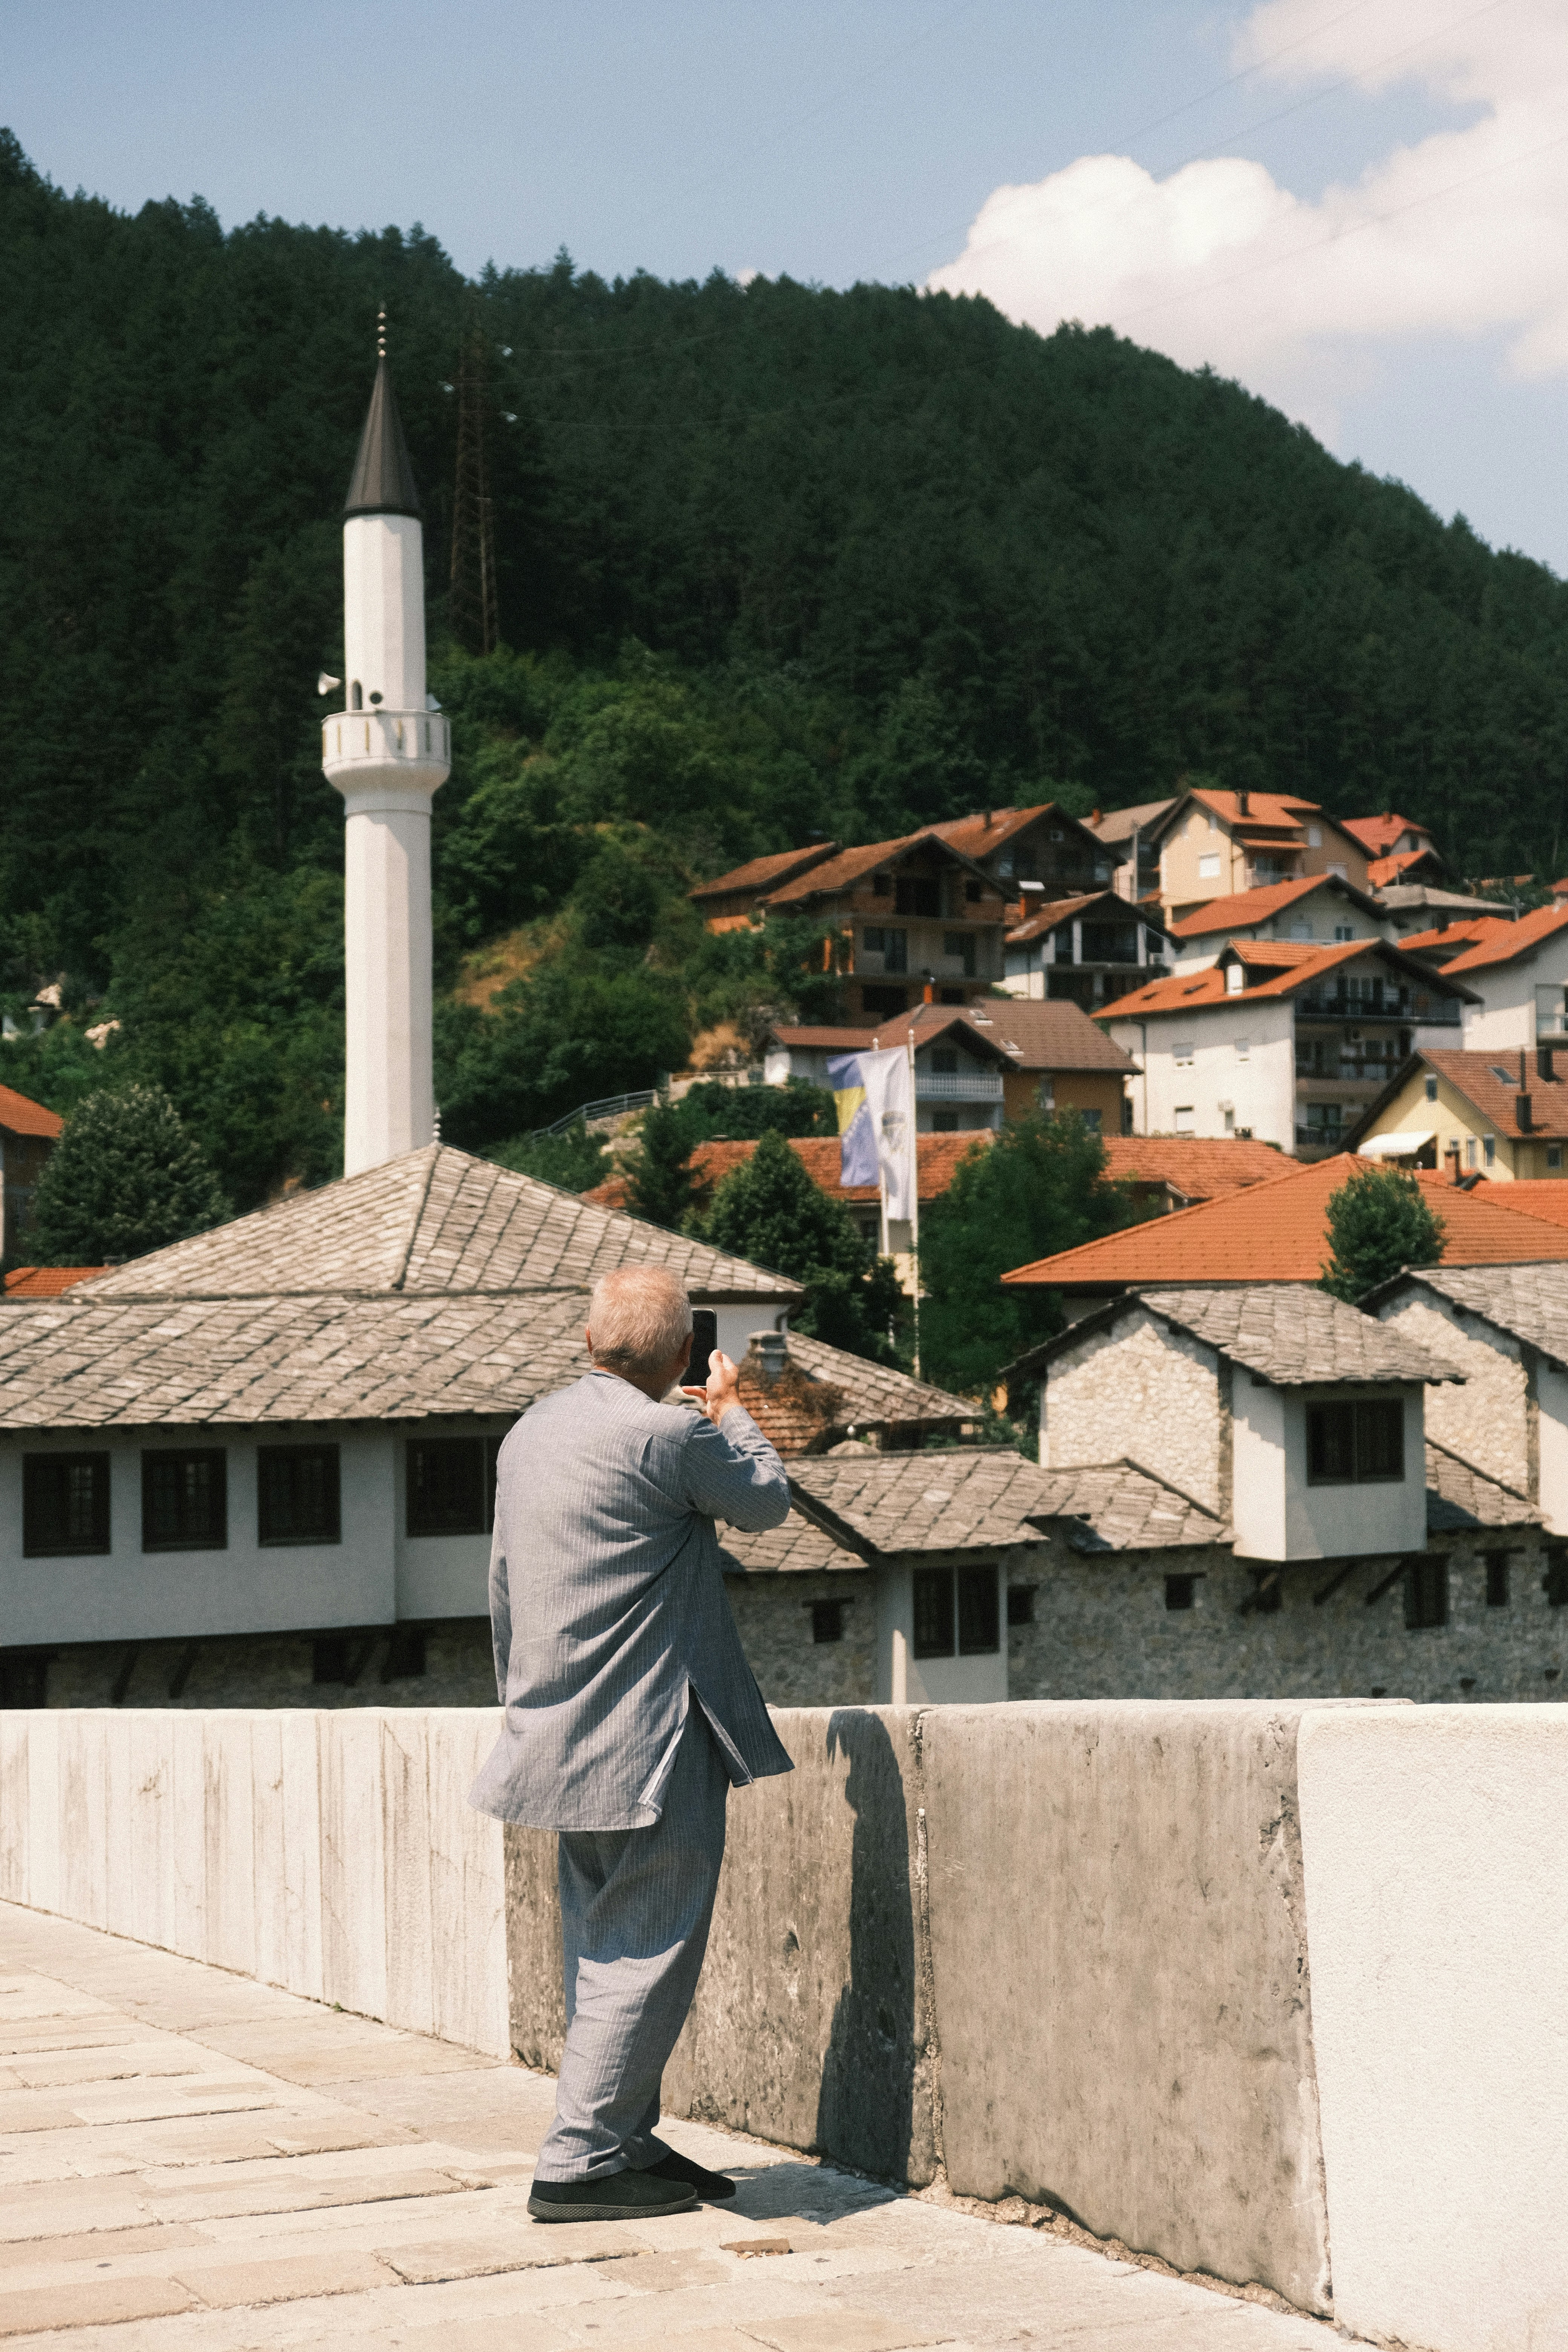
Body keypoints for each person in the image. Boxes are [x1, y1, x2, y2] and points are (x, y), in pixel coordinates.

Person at [469, 1263, 794, 2223]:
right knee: (646, 1946)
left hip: (556, 1730)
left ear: (588, 1342)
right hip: (651, 1736)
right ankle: (579, 2162)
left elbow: (502, 1588)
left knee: (601, 1947)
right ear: (684, 1353)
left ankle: (628, 2141)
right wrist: (731, 1411)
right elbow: (765, 1503)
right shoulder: (671, 1433)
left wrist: (524, 1709)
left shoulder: (531, 1432)